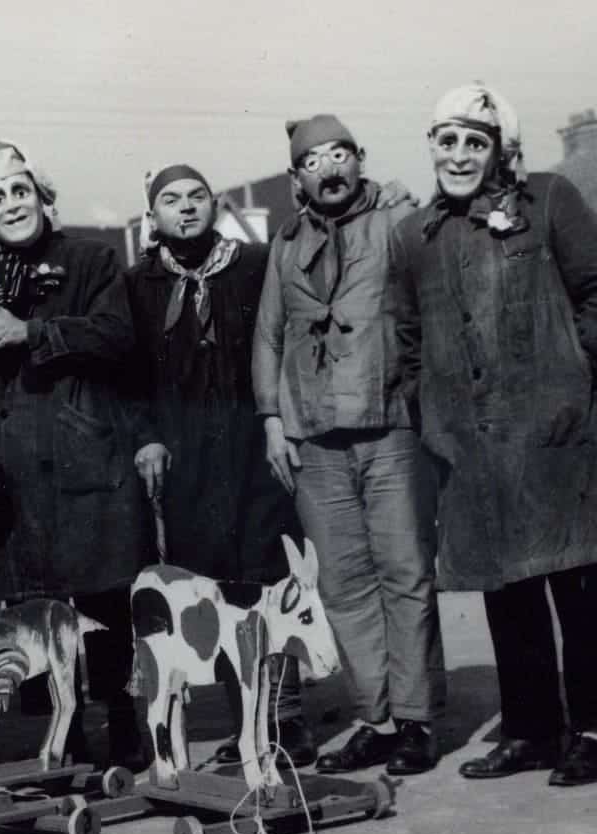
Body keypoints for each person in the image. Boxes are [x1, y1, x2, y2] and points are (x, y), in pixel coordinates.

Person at [390, 82, 597, 787]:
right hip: (472, 447)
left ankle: (592, 731)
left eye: (476, 142)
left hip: (559, 437)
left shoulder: (550, 199)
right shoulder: (414, 236)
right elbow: (406, 339)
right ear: (431, 146)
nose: (459, 155)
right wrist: (430, 414)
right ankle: (531, 730)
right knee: (506, 587)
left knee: (578, 581)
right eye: (447, 140)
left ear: (500, 150)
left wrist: (568, 372)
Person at [252, 113, 444, 777]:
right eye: (313, 162)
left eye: (339, 155)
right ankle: (377, 719)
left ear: (360, 159)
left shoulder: (397, 221)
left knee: (405, 572)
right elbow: (269, 335)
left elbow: (431, 307)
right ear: (296, 177)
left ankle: (416, 721)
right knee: (342, 583)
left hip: (391, 426)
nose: (329, 170)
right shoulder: (285, 245)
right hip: (314, 438)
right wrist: (272, 419)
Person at [0, 142, 145, 768]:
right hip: (14, 461)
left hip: (83, 446)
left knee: (103, 593)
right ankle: (66, 731)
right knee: (36, 607)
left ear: (42, 197)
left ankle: (123, 721)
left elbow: (118, 336)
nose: (11, 205)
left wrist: (32, 332)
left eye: (20, 191)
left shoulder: (91, 259)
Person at [121, 164, 317, 767]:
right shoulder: (138, 285)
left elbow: (284, 341)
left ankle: (285, 720)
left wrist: (280, 421)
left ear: (215, 205)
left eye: (197, 196)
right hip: (186, 459)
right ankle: (247, 722)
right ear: (152, 216)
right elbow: (127, 373)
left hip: (253, 445)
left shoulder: (253, 265)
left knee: (267, 577)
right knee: (216, 587)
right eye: (171, 200)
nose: (186, 208)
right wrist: (148, 438)